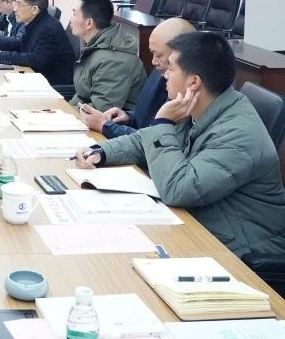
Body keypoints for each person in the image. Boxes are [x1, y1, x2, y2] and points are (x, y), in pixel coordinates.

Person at [75, 32, 285, 257]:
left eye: (171, 69)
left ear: (194, 82)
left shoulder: (239, 135)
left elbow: (179, 190)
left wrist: (162, 123)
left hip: (241, 248)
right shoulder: (200, 105)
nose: (164, 74)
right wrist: (101, 152)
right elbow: (145, 140)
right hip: (200, 222)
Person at [80, 17, 196, 138]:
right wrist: (129, 118)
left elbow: (159, 141)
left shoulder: (188, 91)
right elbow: (149, 120)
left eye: (159, 55)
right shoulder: (159, 73)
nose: (153, 61)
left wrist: (105, 126)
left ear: (179, 53)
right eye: (152, 53)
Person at [67, 0, 147, 112]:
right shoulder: (97, 46)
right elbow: (82, 95)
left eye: (74, 14)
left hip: (109, 122)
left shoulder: (114, 61)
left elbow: (101, 111)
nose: (71, 19)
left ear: (89, 23)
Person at [0, 0, 74, 85]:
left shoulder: (48, 28)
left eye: (19, 5)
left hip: (52, 86)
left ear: (34, 9)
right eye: (15, 4)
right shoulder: (35, 22)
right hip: (36, 77)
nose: (15, 9)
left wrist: (0, 55)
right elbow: (21, 44)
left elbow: (35, 59)